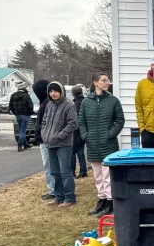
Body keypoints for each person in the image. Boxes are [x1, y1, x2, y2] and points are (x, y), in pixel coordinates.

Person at [80, 73, 124, 218]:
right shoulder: (86, 102)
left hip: (108, 145)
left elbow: (119, 120)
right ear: (95, 83)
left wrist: (110, 134)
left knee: (107, 175)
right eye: (104, 80)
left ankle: (110, 202)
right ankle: (102, 200)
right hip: (93, 144)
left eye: (108, 80)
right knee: (98, 176)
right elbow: (82, 122)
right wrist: (86, 136)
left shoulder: (113, 101)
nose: (107, 82)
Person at [41, 81, 79, 208]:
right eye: (51, 91)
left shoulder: (69, 105)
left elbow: (73, 123)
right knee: (55, 172)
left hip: (63, 144)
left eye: (56, 91)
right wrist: (44, 133)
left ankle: (69, 198)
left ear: (61, 91)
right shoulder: (49, 105)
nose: (53, 93)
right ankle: (59, 196)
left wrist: (60, 135)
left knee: (65, 172)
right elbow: (45, 121)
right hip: (50, 143)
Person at [33, 79, 55, 201]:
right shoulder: (44, 102)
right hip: (44, 138)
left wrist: (43, 134)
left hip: (46, 139)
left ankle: (53, 189)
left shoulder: (47, 103)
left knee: (49, 165)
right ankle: (53, 188)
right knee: (49, 165)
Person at [9, 82, 34, 152]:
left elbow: (10, 106)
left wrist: (15, 113)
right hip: (25, 115)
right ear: (24, 88)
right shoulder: (26, 95)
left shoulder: (13, 96)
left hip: (17, 115)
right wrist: (30, 113)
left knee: (21, 130)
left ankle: (25, 144)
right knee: (23, 131)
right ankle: (20, 145)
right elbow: (30, 105)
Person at [71, 84, 88, 178]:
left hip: (76, 132)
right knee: (81, 153)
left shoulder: (75, 105)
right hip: (85, 131)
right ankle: (83, 171)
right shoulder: (86, 102)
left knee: (72, 153)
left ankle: (72, 172)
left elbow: (75, 120)